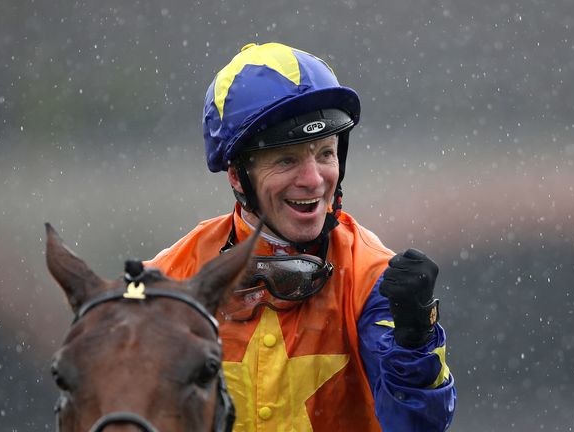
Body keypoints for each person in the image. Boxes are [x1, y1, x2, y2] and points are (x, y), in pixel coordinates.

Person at [146, 42, 455, 431]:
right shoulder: (167, 278)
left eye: (325, 153)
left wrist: (416, 341)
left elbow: (418, 427)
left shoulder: (372, 280)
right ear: (237, 176)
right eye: (287, 159)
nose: (313, 180)